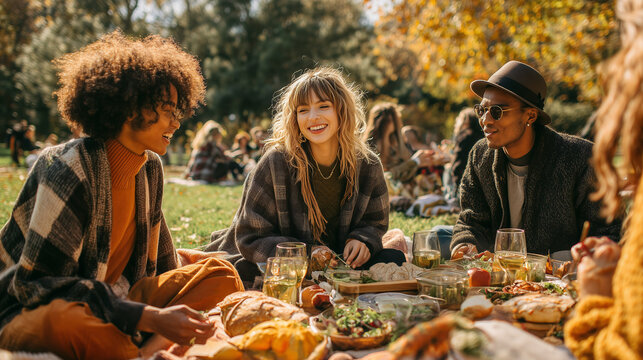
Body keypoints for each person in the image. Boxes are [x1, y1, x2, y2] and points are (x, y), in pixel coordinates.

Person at [0, 31, 243, 360]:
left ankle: (137, 351)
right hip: (36, 308)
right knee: (70, 324)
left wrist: (186, 279)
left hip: (121, 297)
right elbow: (39, 285)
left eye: (178, 109)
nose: (177, 121)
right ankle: (140, 351)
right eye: (168, 110)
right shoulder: (67, 168)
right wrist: (150, 317)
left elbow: (162, 265)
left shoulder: (150, 167)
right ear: (131, 110)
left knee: (221, 275)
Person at [206, 67, 406, 285]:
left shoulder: (368, 164)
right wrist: (307, 254)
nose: (313, 117)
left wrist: (363, 241)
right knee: (246, 271)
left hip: (340, 261)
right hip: (288, 262)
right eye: (303, 110)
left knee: (393, 259)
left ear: (342, 110)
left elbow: (375, 223)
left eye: (323, 106)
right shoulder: (276, 162)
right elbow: (250, 237)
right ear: (294, 117)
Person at [450, 60, 622, 259]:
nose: (486, 120)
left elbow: (609, 232)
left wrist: (578, 260)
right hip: (500, 275)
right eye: (482, 110)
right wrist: (465, 244)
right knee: (439, 236)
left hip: (564, 276)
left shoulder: (582, 158)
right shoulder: (480, 155)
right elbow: (471, 221)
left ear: (530, 116)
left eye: (497, 111)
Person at [564, 0, 643, 357]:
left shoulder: (574, 155)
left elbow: (625, 349)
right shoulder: (481, 157)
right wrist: (623, 261)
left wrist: (594, 296)